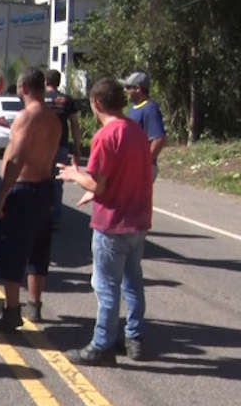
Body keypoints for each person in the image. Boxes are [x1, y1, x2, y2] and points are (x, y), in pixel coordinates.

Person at [57, 78, 153, 366]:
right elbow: (125, 176)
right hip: (138, 219)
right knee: (133, 280)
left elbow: (98, 183)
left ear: (96, 103)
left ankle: (102, 345)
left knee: (106, 285)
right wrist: (94, 191)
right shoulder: (136, 131)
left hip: (112, 222)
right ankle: (134, 338)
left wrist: (75, 176)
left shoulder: (105, 136)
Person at [0, 67, 61, 332]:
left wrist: (2, 194)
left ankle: (11, 311)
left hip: (24, 189)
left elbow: (16, 158)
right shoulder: (53, 118)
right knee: (39, 249)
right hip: (44, 187)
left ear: (23, 88)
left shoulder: (27, 117)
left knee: (12, 250)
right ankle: (34, 304)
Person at [25, 68, 84, 320]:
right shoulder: (66, 100)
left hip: (38, 145)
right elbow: (75, 125)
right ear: (57, 83)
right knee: (56, 183)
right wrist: (77, 148)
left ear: (44, 82)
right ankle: (54, 214)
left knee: (38, 176)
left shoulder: (38, 100)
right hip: (60, 145)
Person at [123, 70, 166, 181]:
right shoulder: (132, 109)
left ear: (138, 89)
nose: (125, 90)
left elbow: (158, 139)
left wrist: (144, 163)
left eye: (128, 87)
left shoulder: (150, 108)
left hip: (142, 167)